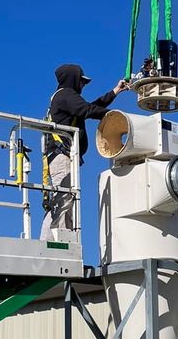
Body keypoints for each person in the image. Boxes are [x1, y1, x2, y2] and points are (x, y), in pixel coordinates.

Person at [40, 64, 128, 240]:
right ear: (73, 79)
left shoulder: (63, 97)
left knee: (60, 201)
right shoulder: (66, 95)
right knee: (64, 202)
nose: (83, 85)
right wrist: (118, 116)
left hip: (60, 157)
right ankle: (62, 244)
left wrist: (115, 91)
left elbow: (89, 107)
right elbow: (87, 110)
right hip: (62, 157)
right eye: (82, 81)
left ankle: (46, 242)